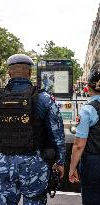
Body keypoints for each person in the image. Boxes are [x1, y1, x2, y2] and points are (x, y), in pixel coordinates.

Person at [0, 54, 66, 205]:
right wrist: (60, 162)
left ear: (9, 73)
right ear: (29, 73)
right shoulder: (44, 99)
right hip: (35, 164)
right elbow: (57, 135)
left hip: (3, 164)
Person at [69, 62, 100, 205]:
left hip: (94, 162)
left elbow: (79, 145)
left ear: (88, 88)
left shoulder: (88, 109)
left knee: (92, 197)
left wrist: (72, 167)